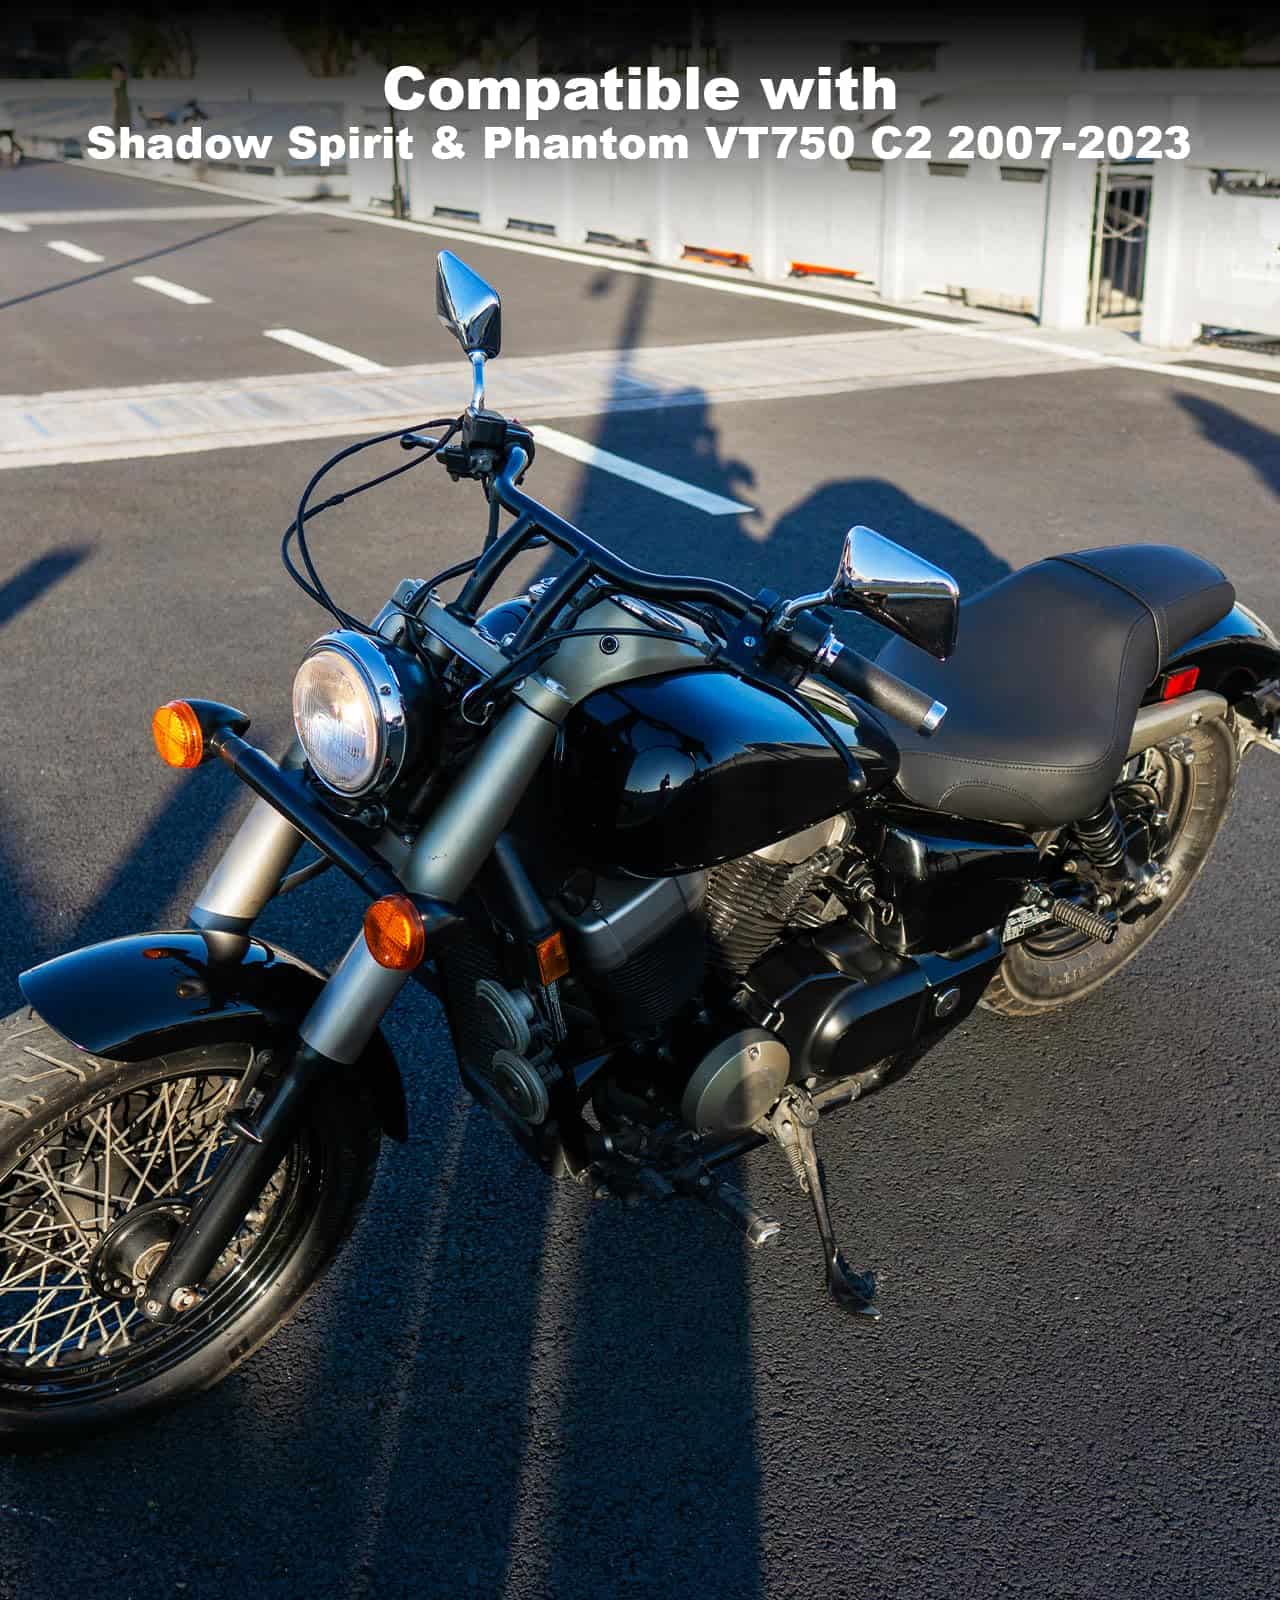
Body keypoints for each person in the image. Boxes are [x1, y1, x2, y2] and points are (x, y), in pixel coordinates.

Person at [110, 61, 131, 129]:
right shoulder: (116, 84)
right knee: (118, 112)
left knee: (123, 112)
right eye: (113, 72)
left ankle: (123, 127)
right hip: (118, 101)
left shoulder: (122, 82)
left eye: (116, 71)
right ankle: (118, 127)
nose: (114, 74)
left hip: (122, 100)